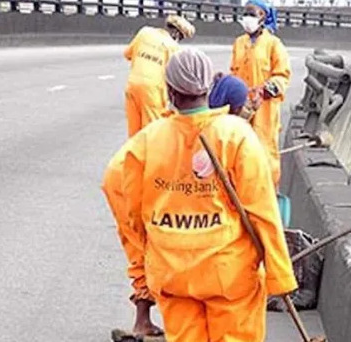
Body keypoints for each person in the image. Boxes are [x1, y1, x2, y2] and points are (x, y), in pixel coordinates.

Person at [119, 47, 297, 342]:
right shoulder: (236, 135)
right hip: (228, 274)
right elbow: (263, 211)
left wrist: (145, 263)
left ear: (171, 92)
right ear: (208, 87)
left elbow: (129, 211)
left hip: (172, 273)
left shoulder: (147, 141)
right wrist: (280, 275)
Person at [101, 141, 164, 338]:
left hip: (130, 167)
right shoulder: (225, 129)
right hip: (136, 176)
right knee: (148, 246)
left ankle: (144, 321)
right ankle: (146, 322)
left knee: (142, 247)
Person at [230, 0, 291, 190]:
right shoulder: (239, 43)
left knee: (265, 153)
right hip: (242, 107)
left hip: (264, 110)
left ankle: (268, 192)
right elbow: (233, 71)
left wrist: (267, 90)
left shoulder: (274, 44)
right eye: (245, 13)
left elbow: (282, 75)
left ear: (263, 16)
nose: (247, 18)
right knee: (239, 150)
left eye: (252, 13)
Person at [123, 15, 195, 137]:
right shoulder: (173, 47)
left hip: (132, 86)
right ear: (177, 34)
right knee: (152, 134)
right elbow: (174, 78)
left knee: (134, 135)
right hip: (153, 92)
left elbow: (127, 54)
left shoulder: (144, 32)